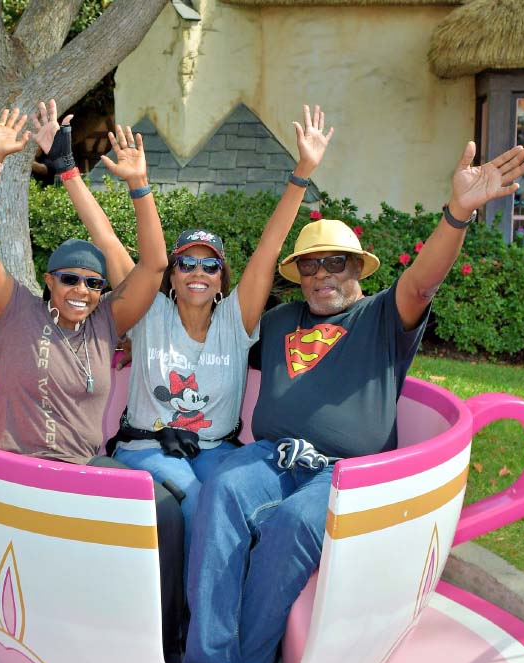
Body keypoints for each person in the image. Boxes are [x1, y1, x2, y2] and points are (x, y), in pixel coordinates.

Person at [170, 139, 524, 663]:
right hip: (271, 457)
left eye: (335, 263)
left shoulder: (383, 315)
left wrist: (456, 213)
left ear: (357, 270)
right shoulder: (280, 319)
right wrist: (137, 348)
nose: (321, 276)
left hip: (344, 475)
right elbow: (213, 340)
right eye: (310, 266)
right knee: (220, 491)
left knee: (292, 526)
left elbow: (421, 282)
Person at [47, 104, 332, 577]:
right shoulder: (149, 313)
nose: (198, 273)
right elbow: (107, 239)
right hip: (149, 448)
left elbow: (269, 250)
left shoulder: (235, 322)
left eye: (210, 265)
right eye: (186, 264)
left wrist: (303, 171)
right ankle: (192, 620)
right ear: (170, 277)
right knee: (202, 504)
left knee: (248, 502)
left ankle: (248, 600)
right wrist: (68, 170)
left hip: (218, 449)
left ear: (222, 280)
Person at [0, 104, 185, 661]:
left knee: (168, 509)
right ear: (48, 281)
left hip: (80, 472)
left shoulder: (107, 321)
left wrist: (140, 186)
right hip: (15, 471)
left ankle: (167, 642)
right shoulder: (15, 310)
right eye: (69, 279)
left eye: (91, 282)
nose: (80, 289)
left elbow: (154, 266)